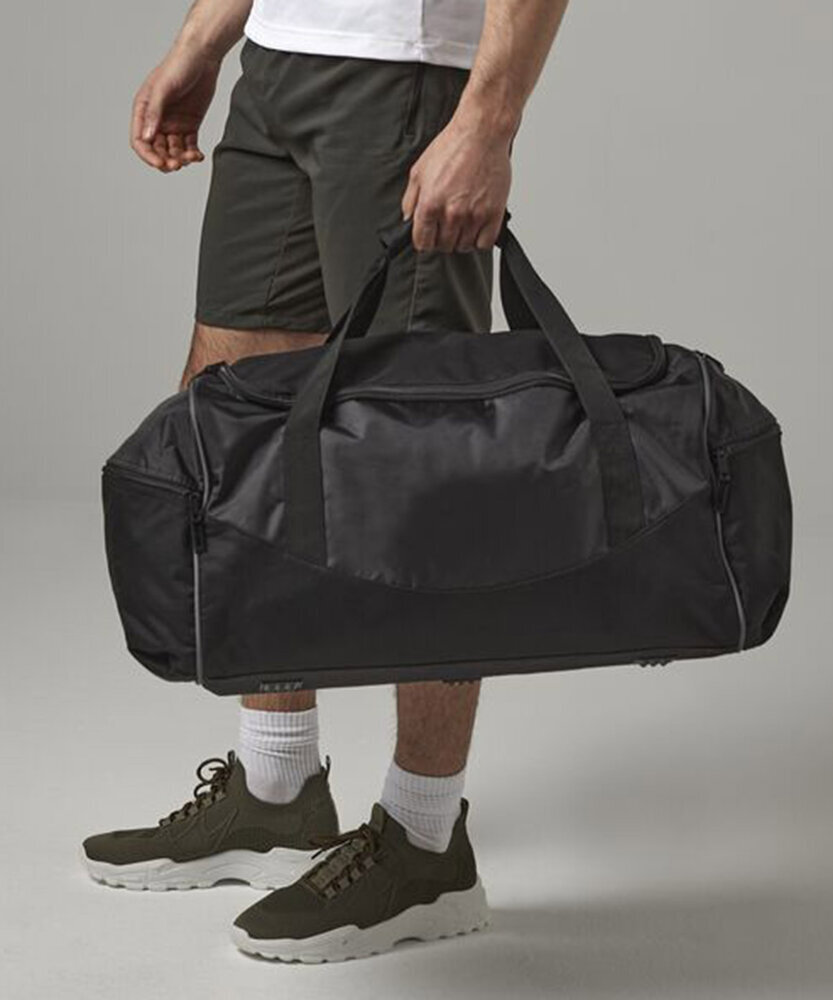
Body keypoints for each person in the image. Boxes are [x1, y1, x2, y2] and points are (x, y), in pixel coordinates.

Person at [83, 0, 570, 963]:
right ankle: (278, 790)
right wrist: (203, 43)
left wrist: (484, 121)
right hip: (280, 63)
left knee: (418, 470)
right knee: (239, 426)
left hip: (404, 78)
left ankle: (426, 842)